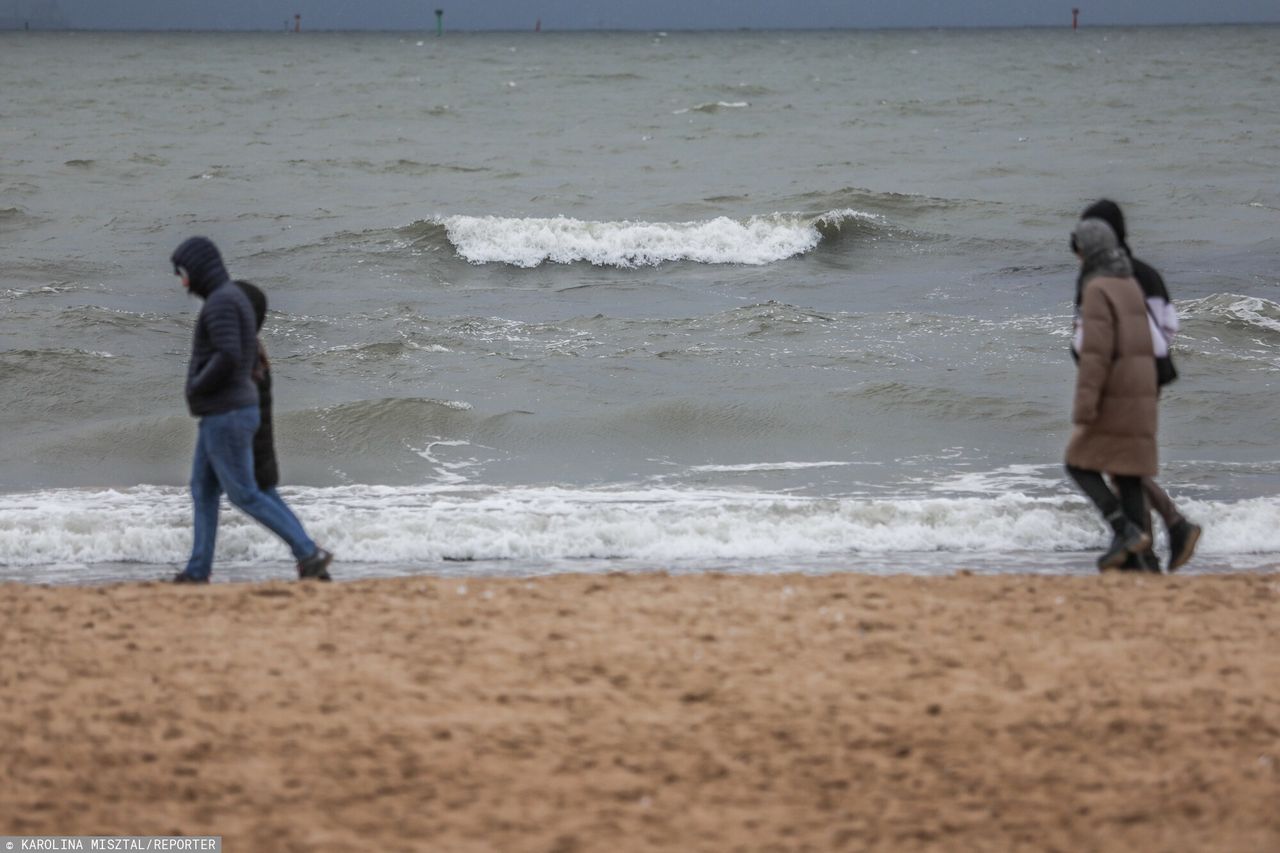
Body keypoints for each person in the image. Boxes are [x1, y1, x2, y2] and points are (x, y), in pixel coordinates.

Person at [171, 236, 333, 583]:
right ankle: (197, 571)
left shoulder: (221, 303)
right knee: (202, 489)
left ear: (199, 268)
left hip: (225, 413)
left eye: (183, 273)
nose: (183, 282)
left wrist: (198, 384)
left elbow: (229, 355)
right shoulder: (229, 298)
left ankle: (308, 552)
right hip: (223, 411)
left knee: (244, 494)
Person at [1079, 200, 1201, 572]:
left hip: (1116, 380)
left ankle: (1160, 534)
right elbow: (1169, 327)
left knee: (1117, 464)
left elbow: (1084, 336)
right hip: (1153, 377)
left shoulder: (1096, 277)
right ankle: (1148, 547)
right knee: (1125, 462)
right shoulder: (1149, 273)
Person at [1065, 218, 1157, 571]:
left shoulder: (1097, 288)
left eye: (1079, 248)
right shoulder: (1129, 283)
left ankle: (1124, 531)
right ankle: (1142, 564)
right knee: (1129, 473)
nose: (1076, 256)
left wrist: (1085, 405)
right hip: (1142, 391)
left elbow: (1096, 354)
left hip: (1115, 394)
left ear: (1088, 250)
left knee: (1077, 463)